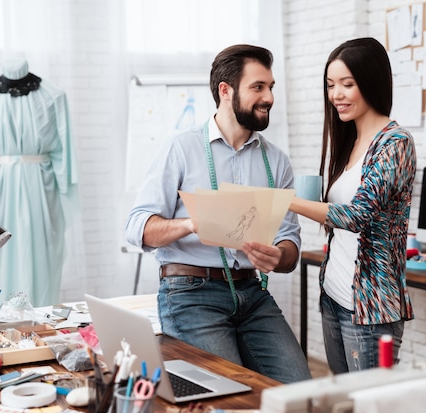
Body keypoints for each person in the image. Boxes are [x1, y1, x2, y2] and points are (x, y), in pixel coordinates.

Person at [126, 44, 312, 384]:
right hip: (191, 292)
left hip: (253, 294)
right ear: (225, 91)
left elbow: (290, 243)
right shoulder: (181, 149)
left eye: (271, 87)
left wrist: (279, 256)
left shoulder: (277, 161)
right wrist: (191, 223)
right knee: (226, 394)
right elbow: (137, 227)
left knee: (299, 392)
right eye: (258, 87)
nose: (269, 97)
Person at [289, 37, 416, 374]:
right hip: (333, 295)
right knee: (344, 405)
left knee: (370, 407)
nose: (336, 95)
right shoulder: (350, 139)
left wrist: (290, 202)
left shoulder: (395, 142)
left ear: (371, 82)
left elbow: (357, 216)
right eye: (331, 85)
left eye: (347, 84)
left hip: (369, 309)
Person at [0, 56, 79, 307]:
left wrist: (63, 192)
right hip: (4, 185)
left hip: (39, 184)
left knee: (43, 255)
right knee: (4, 251)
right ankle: (8, 314)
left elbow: (65, 153)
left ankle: (41, 315)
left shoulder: (54, 95)